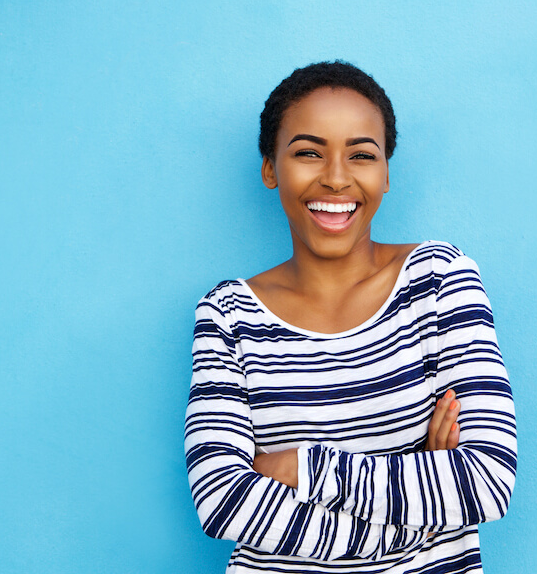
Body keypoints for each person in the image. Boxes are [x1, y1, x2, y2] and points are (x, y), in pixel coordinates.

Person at [184, 61, 517, 573]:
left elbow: (486, 482)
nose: (337, 178)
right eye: (308, 152)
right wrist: (417, 515)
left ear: (385, 174)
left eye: (362, 155)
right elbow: (222, 500)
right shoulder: (228, 315)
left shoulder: (439, 280)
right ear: (271, 167)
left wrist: (300, 467)